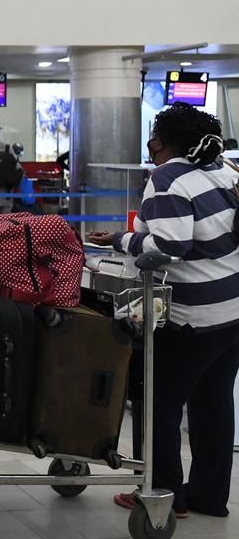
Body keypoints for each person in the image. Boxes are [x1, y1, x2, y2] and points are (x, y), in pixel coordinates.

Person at [89, 102, 239, 519]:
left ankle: (162, 495)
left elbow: (169, 248)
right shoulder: (223, 169)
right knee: (213, 403)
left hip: (192, 316)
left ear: (160, 141)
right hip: (232, 310)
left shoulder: (169, 177)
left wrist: (120, 240)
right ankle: (209, 497)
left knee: (158, 403)